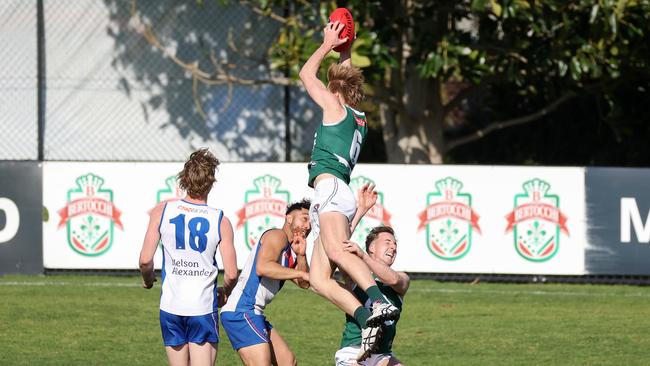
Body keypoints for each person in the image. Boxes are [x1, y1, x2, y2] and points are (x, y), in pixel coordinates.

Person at [299, 20, 399, 361]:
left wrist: (327, 44)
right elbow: (344, 77)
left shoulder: (334, 107)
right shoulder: (358, 118)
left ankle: (378, 301)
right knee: (318, 279)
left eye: (331, 87)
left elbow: (305, 75)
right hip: (338, 190)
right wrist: (345, 48)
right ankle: (365, 317)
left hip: (329, 187)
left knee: (340, 251)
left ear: (335, 92)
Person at [139, 148, 238, 366]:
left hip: (171, 307)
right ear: (211, 182)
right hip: (202, 307)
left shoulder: (161, 211)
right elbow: (231, 273)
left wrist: (148, 281)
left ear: (184, 179)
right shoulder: (220, 220)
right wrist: (226, 292)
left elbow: (145, 260)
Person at [219, 199, 311, 366]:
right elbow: (263, 267)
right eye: (304, 218)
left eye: (311, 221)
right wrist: (299, 272)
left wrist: (301, 256)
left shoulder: (291, 250)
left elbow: (304, 283)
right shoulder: (277, 236)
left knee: (288, 362)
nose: (308, 225)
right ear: (289, 218)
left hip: (254, 312)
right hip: (242, 311)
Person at [335, 226, 409, 366]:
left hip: (382, 355)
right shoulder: (356, 274)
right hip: (354, 352)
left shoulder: (401, 278)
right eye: (387, 242)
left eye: (395, 244)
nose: (393, 247)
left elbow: (393, 280)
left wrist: (364, 256)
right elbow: (337, 247)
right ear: (372, 247)